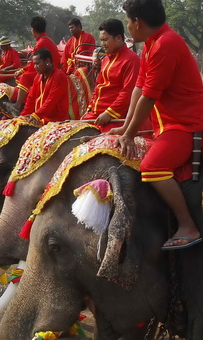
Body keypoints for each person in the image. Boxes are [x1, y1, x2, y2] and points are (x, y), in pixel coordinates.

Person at [110, 0, 203, 250]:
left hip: (185, 125)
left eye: (128, 22)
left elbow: (150, 96)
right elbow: (138, 89)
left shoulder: (166, 44)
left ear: (138, 23)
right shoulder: (151, 44)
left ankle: (188, 226)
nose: (128, 27)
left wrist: (129, 135)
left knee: (151, 167)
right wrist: (125, 128)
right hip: (168, 124)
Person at [80, 19, 140, 132]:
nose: (102, 44)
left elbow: (128, 93)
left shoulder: (132, 60)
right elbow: (98, 86)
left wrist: (109, 113)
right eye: (101, 40)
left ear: (118, 38)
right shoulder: (106, 59)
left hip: (115, 117)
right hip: (96, 115)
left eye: (105, 40)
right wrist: (90, 108)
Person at [14, 17, 61, 110]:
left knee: (24, 77)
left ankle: (17, 105)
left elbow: (34, 64)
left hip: (49, 70)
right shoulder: (46, 39)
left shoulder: (40, 42)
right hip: (51, 67)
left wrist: (22, 71)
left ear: (33, 30)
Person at [20, 48, 70, 125]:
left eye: (37, 64)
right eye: (34, 64)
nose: (35, 67)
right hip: (40, 117)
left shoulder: (59, 76)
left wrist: (36, 115)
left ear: (47, 61)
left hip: (56, 120)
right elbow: (31, 97)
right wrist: (23, 115)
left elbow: (51, 101)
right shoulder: (38, 76)